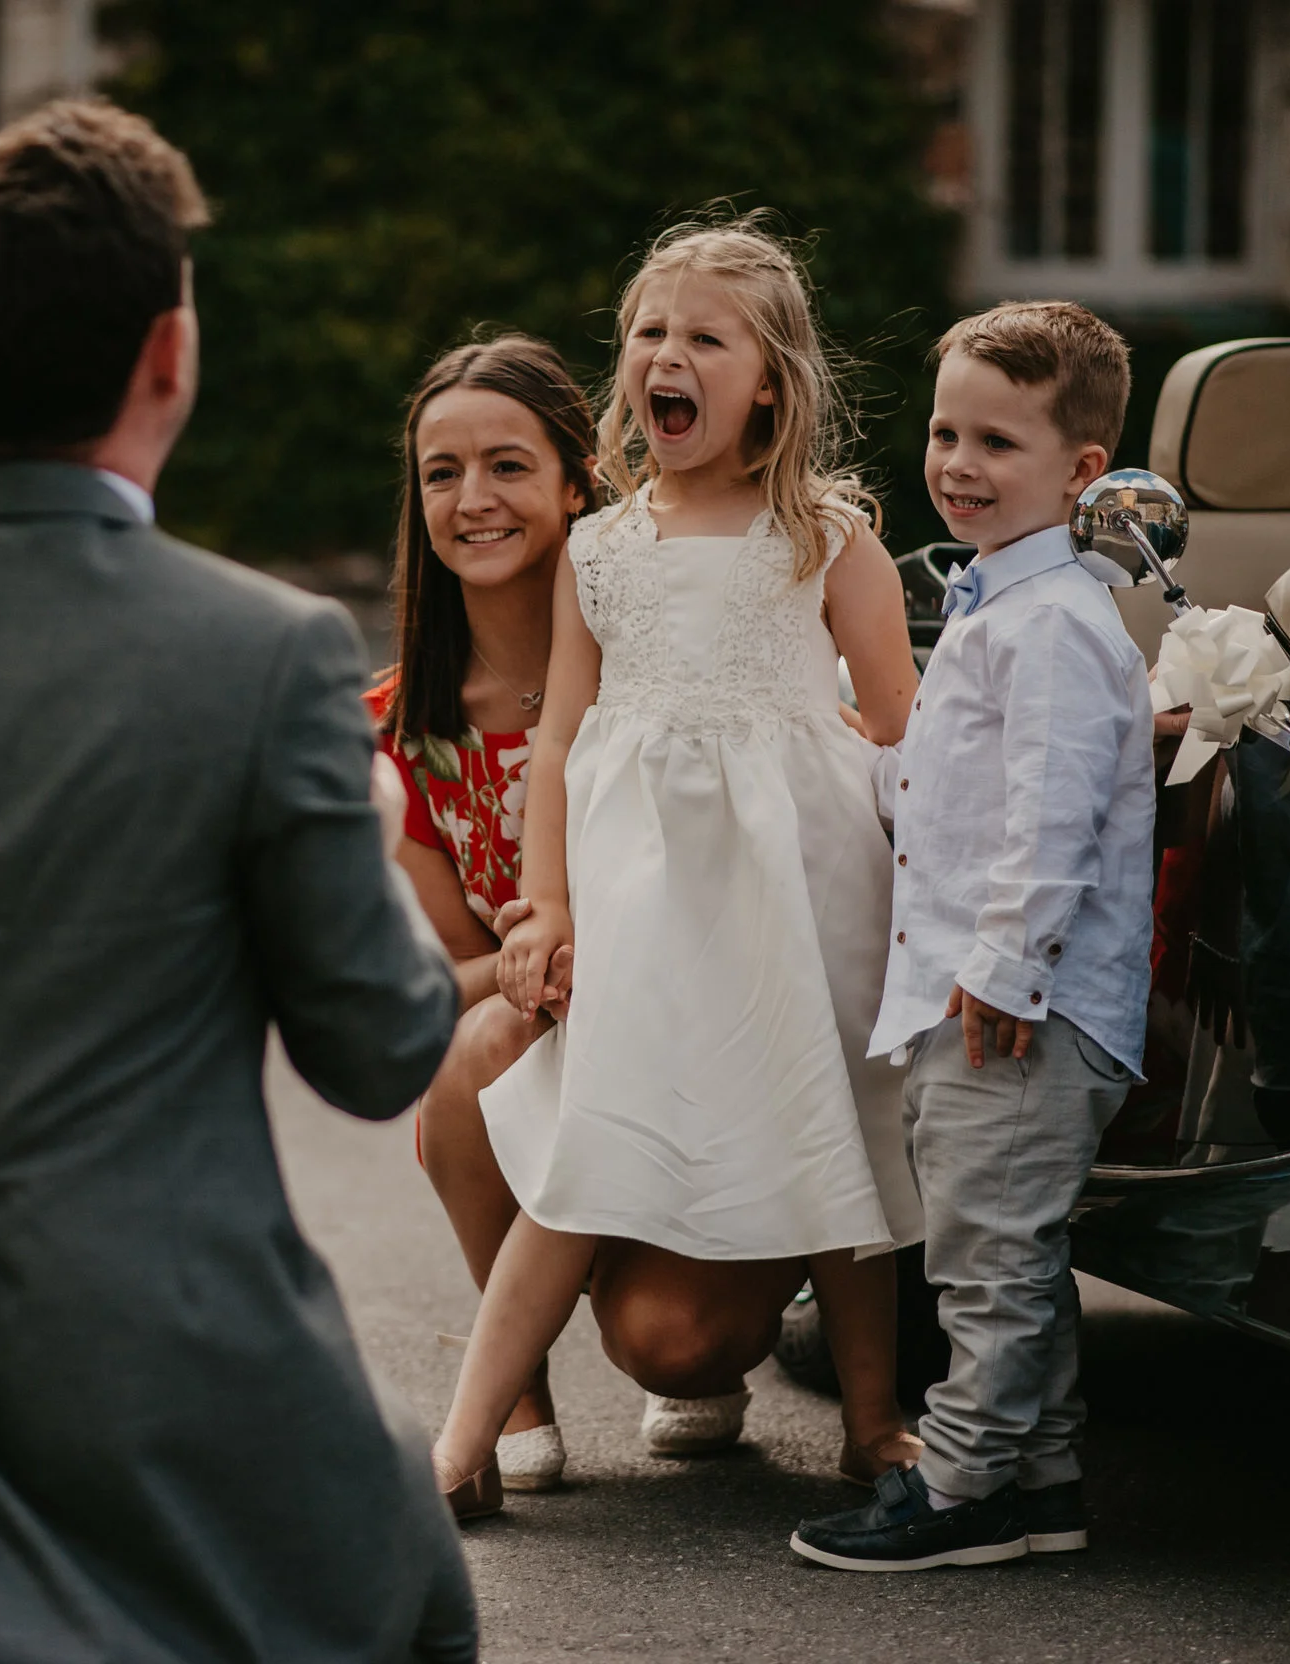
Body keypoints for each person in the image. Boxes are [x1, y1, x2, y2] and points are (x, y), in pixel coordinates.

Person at [0, 101, 476, 1661]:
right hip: (160, 1335)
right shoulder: (269, 658)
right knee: (406, 1618)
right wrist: (378, 815)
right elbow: (384, 1048)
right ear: (168, 355)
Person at [427, 219, 927, 1521]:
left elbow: (903, 725)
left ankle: (874, 1420)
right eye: (650, 331)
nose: (668, 354)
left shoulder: (823, 536)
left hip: (801, 890)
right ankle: (466, 1434)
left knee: (840, 1151)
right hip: (645, 903)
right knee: (593, 1142)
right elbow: (557, 742)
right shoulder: (602, 552)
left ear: (771, 380)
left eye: (706, 336)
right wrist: (548, 905)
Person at [790, 301, 1154, 1572]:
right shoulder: (997, 605)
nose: (956, 462)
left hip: (1015, 1006)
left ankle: (957, 1485)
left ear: (1080, 469)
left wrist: (1001, 969)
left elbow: (1048, 820)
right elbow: (954, 791)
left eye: (997, 441)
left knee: (986, 1258)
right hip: (990, 993)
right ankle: (1041, 1475)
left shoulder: (1051, 622)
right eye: (946, 431)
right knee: (1011, 1241)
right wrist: (865, 765)